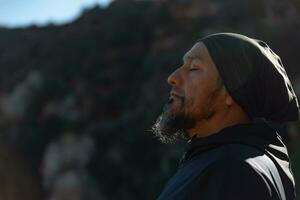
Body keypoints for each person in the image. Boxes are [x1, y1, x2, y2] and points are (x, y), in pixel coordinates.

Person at [152, 33, 299, 200]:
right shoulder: (232, 160)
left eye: (193, 68)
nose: (173, 78)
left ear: (230, 92)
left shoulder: (231, 171)